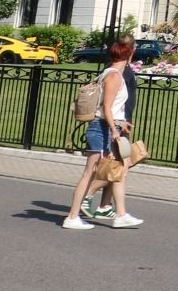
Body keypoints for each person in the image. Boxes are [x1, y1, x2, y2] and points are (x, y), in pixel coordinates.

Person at [64, 39, 143, 229]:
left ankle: (120, 214)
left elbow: (111, 108)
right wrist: (115, 131)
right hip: (102, 129)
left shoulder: (109, 73)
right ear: (129, 55)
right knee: (89, 173)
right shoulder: (114, 76)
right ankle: (73, 216)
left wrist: (120, 123)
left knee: (119, 171)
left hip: (107, 127)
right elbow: (106, 108)